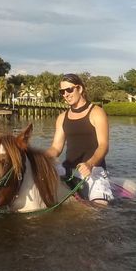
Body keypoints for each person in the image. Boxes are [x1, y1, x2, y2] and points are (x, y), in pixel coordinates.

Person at [46, 73, 113, 206]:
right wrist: (36, 157)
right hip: (67, 170)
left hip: (93, 170)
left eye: (69, 90)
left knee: (98, 208)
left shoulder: (97, 112)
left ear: (80, 89)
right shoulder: (62, 117)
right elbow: (56, 148)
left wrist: (90, 164)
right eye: (62, 91)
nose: (65, 94)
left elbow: (103, 146)